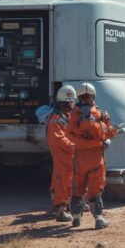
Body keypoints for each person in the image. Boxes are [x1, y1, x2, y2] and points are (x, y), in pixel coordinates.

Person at [68, 82, 117, 229]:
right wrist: (110, 134)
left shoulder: (72, 115)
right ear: (92, 96)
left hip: (79, 158)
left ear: (78, 98)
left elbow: (69, 137)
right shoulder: (100, 114)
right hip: (96, 158)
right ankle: (99, 219)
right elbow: (108, 133)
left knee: (78, 188)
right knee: (95, 190)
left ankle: (76, 217)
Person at [48, 85, 77, 222]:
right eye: (71, 102)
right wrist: (76, 147)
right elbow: (60, 139)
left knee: (68, 179)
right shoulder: (56, 119)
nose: (73, 104)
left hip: (68, 154)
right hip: (62, 154)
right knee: (62, 180)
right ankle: (60, 209)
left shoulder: (68, 116)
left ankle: (70, 205)